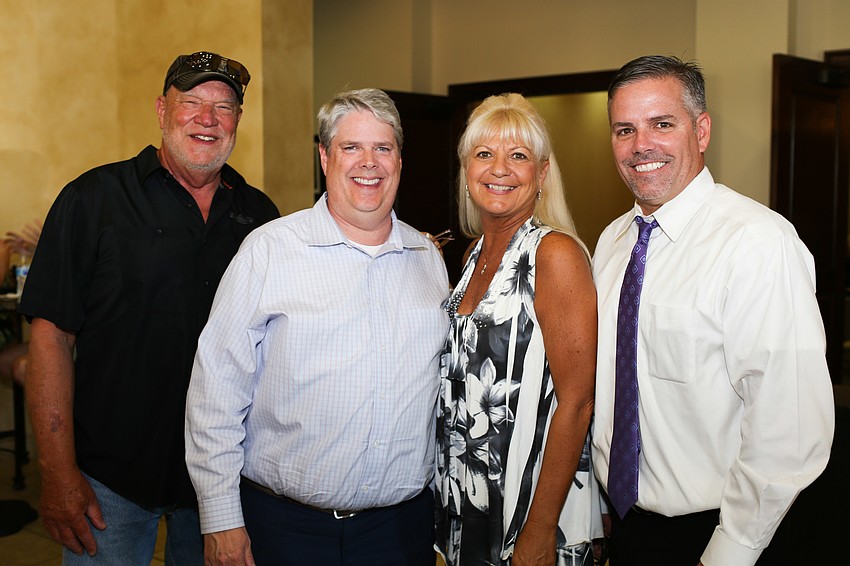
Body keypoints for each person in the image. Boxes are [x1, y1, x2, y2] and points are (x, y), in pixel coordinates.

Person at [19, 51, 279, 565]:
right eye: (192, 103)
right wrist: (57, 474)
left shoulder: (260, 217)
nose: (207, 120)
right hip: (108, 483)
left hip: (221, 485)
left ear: (238, 122)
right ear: (162, 110)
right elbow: (51, 337)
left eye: (223, 107)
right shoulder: (93, 200)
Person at [185, 87, 450, 566]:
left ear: (400, 160)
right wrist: (221, 518)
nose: (368, 163)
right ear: (325, 157)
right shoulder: (268, 252)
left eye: (382, 148)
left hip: (399, 532)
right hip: (285, 530)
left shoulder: (426, 258)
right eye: (351, 147)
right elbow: (215, 392)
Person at [591, 55, 835, 566]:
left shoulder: (758, 243)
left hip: (722, 536)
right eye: (624, 130)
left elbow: (787, 427)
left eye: (662, 124)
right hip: (627, 530)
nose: (641, 146)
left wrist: (731, 551)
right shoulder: (612, 243)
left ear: (701, 131)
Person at [435, 93, 599, 566]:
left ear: (542, 174)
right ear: (467, 171)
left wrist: (539, 528)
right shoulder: (470, 257)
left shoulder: (554, 256)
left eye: (518, 156)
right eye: (484, 154)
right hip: (467, 502)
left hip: (530, 509)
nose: (499, 169)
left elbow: (578, 401)